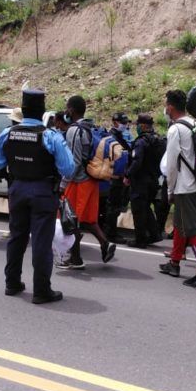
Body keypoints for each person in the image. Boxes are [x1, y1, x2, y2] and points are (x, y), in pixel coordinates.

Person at [0, 89, 75, 304]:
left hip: (17, 189)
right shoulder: (50, 136)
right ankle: (41, 290)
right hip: (42, 191)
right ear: (42, 112)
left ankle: (12, 283)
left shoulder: (7, 134)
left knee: (16, 237)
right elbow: (68, 168)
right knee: (41, 241)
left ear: (23, 109)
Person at [158, 90, 196, 287]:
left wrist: (170, 189)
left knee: (191, 229)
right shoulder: (195, 123)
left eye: (166, 105)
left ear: (171, 107)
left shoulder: (175, 130)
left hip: (184, 186)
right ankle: (174, 262)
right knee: (181, 225)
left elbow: (172, 164)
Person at [58, 95, 116, 269]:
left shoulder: (74, 130)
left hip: (78, 182)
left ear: (71, 110)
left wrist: (63, 183)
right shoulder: (90, 127)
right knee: (87, 219)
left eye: (67, 107)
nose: (66, 110)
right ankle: (105, 243)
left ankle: (75, 259)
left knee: (71, 220)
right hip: (92, 180)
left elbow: (74, 162)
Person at [124, 114, 163, 248]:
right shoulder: (158, 140)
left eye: (138, 125)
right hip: (154, 180)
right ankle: (154, 234)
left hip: (140, 181)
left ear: (143, 126)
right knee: (146, 207)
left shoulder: (141, 142)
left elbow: (137, 161)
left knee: (138, 210)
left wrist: (128, 175)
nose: (137, 127)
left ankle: (140, 239)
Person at [104, 112, 133, 244]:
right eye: (123, 123)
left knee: (115, 204)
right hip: (114, 174)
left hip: (119, 174)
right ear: (115, 122)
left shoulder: (119, 135)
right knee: (113, 205)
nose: (125, 125)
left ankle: (111, 231)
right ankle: (110, 233)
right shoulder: (112, 136)